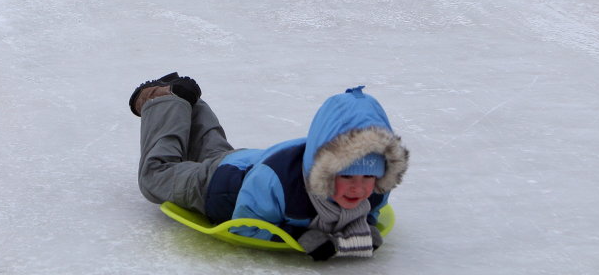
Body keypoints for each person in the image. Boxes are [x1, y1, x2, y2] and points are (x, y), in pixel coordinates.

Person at [131, 74, 409, 261]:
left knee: (211, 147)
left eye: (368, 176)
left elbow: (369, 210)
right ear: (322, 168)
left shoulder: (376, 191)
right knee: (158, 174)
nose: (358, 188)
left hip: (249, 162)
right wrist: (300, 236)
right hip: (222, 185)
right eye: (346, 175)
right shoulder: (280, 184)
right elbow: (245, 225)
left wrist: (365, 225)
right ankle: (161, 98)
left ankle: (186, 97)